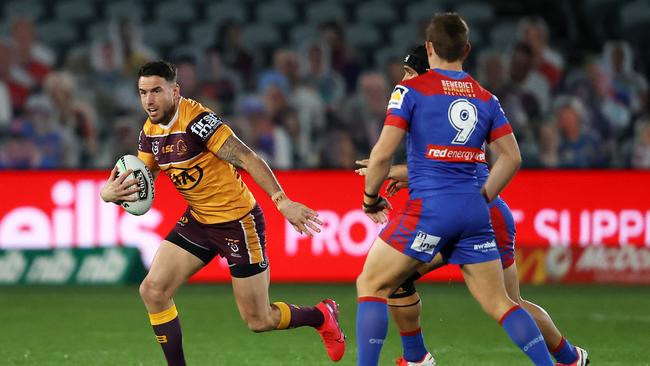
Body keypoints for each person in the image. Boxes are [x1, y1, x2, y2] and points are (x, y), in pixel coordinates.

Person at [99, 61, 345, 366]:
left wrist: (281, 200)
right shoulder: (149, 133)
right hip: (200, 220)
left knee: (259, 320)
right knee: (153, 290)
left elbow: (245, 156)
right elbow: (141, 185)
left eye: (156, 91)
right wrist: (108, 194)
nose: (149, 100)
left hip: (237, 223)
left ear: (174, 92)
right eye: (143, 92)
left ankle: (321, 315)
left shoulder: (197, 121)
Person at [356, 45, 590, 366]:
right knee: (501, 302)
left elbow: (450, 168)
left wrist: (387, 173)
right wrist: (403, 174)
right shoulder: (470, 99)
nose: (404, 78)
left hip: (473, 210)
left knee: (503, 300)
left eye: (410, 72)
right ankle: (568, 357)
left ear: (428, 72)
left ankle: (567, 356)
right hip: (476, 209)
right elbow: (451, 162)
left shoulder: (422, 98)